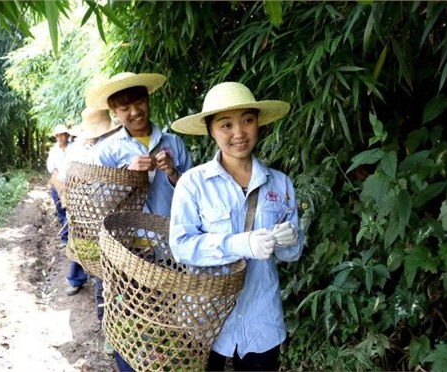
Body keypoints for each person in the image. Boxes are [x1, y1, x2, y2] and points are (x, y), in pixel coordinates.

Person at [169, 82, 304, 371]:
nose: (239, 133)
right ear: (210, 130)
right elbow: (181, 247)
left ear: (258, 123)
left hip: (262, 318)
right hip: (207, 317)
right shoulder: (192, 184)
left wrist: (289, 240)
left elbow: (291, 256)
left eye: (247, 120)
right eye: (226, 124)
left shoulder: (280, 183)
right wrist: (241, 243)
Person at [86, 72, 194, 369]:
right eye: (124, 108)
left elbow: (195, 196)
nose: (134, 112)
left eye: (139, 102)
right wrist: (127, 176)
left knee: (168, 317)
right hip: (127, 253)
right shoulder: (106, 151)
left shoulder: (173, 143)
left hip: (170, 248)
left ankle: (165, 364)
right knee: (128, 317)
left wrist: (172, 172)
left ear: (148, 100)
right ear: (114, 113)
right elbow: (97, 203)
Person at [60, 107, 120, 354]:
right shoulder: (76, 151)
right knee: (102, 279)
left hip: (123, 223)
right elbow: (68, 184)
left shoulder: (118, 144)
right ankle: (108, 329)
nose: (99, 138)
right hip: (93, 223)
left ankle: (123, 329)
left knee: (123, 284)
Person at [46, 124, 70, 249]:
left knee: (73, 212)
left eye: (62, 135)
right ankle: (65, 239)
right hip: (57, 185)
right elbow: (51, 166)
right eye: (58, 136)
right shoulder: (54, 151)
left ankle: (75, 240)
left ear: (67, 135)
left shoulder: (75, 148)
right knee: (61, 211)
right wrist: (57, 178)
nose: (60, 138)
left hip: (73, 184)